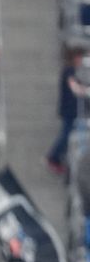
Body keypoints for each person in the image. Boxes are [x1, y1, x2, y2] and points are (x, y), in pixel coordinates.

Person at [47, 47, 87, 175]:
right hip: (69, 110)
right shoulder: (69, 70)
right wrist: (84, 91)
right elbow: (74, 87)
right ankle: (53, 157)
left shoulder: (74, 71)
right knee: (66, 134)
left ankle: (61, 158)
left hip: (74, 110)